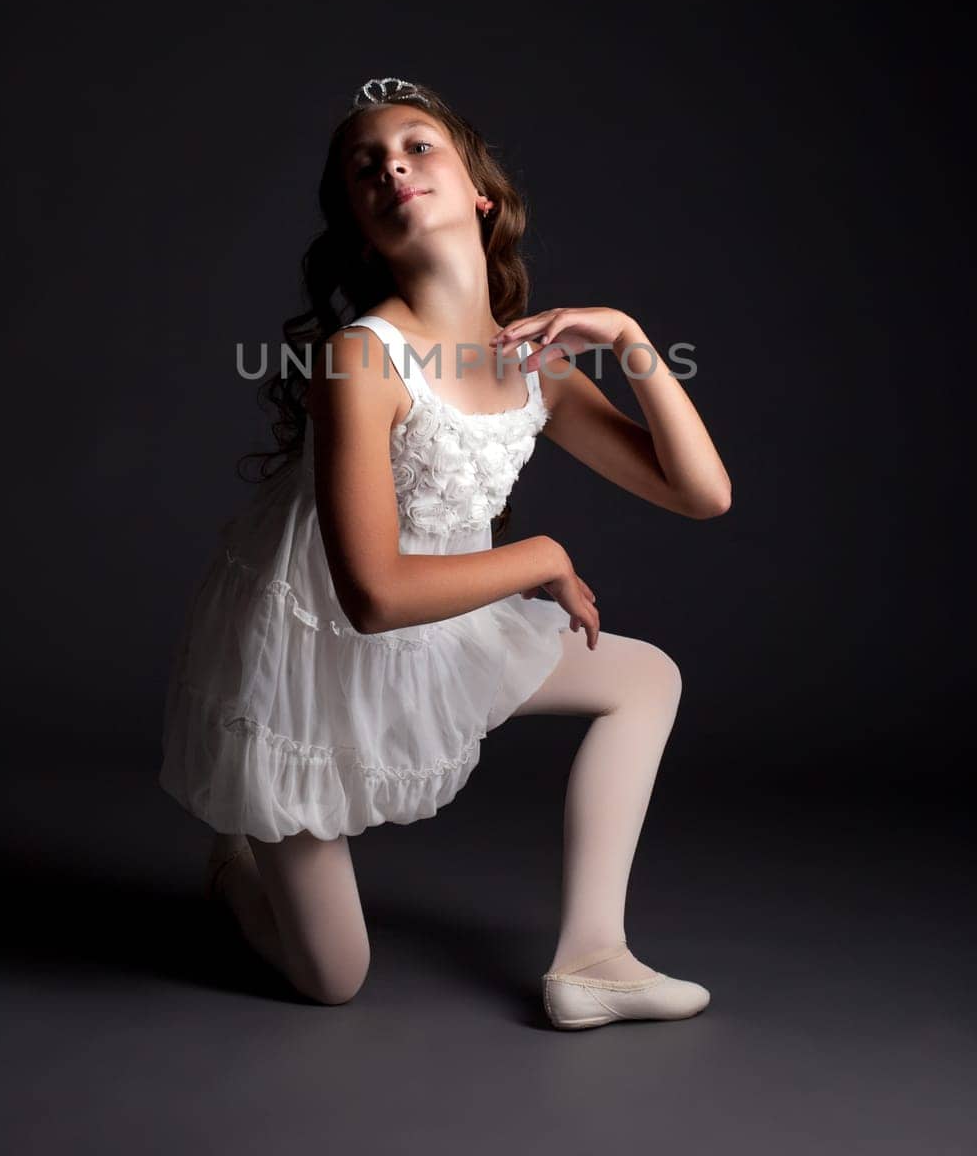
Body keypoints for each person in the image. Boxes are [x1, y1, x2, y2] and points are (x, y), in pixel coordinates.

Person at [158, 76, 732, 1026]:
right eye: (364, 165)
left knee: (646, 678)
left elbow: (701, 494)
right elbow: (373, 596)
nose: (391, 164)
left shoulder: (530, 363)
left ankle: (594, 957)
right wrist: (543, 554)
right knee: (331, 979)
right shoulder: (360, 360)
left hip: (447, 630)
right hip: (311, 662)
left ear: (480, 193)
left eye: (417, 147)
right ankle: (239, 865)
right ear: (359, 221)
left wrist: (627, 340)